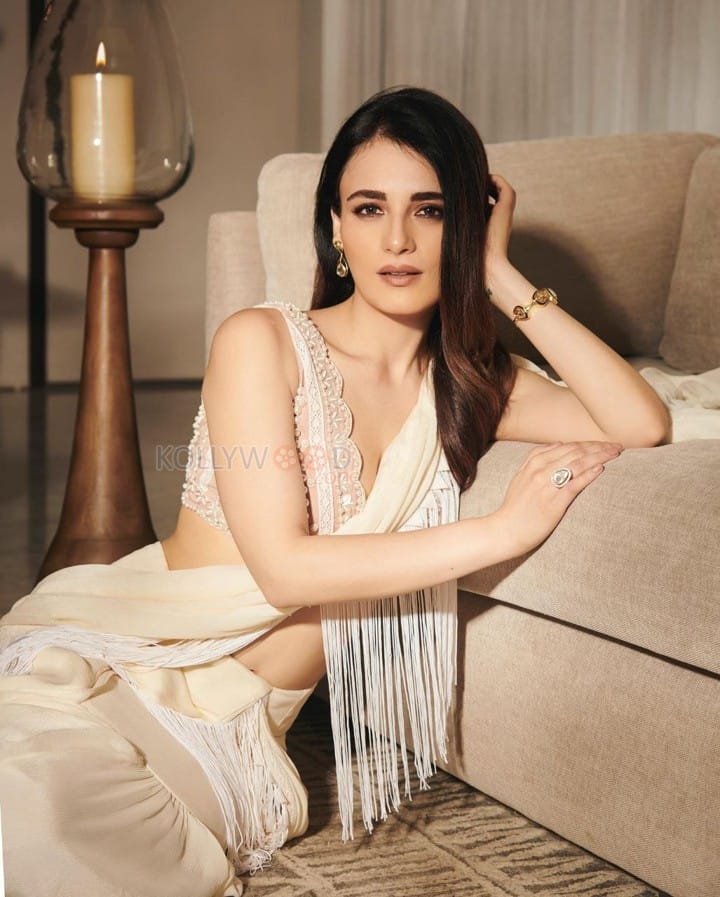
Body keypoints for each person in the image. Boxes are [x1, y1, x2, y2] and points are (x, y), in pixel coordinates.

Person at [0, 86, 670, 897]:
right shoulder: (263, 342)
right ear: (336, 228)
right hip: (133, 670)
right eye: (368, 208)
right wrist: (502, 530)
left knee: (93, 856)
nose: (398, 238)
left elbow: (640, 421)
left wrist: (498, 271)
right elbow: (285, 569)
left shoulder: (470, 387)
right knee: (31, 811)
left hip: (238, 733)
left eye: (430, 211)